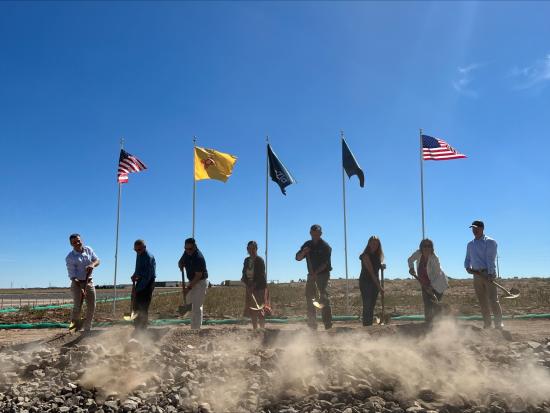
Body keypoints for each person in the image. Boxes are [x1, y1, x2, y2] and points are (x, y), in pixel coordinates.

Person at [464, 220, 503, 329]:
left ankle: (498, 323)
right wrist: (467, 267)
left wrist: (490, 274)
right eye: (473, 228)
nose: (474, 230)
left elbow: (490, 259)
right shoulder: (470, 244)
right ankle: (487, 323)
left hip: (487, 273)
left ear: (482, 228)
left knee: (493, 299)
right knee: (482, 300)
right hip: (476, 275)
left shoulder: (490, 242)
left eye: (476, 228)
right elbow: (468, 258)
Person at [296, 224, 333, 330]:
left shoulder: (326, 246)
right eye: (313, 233)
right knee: (310, 299)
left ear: (320, 234)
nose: (315, 235)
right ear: (310, 233)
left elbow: (326, 264)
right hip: (311, 276)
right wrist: (304, 252)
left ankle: (328, 325)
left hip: (323, 276)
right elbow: (298, 258)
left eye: (317, 233)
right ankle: (312, 325)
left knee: (324, 298)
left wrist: (315, 273)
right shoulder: (307, 244)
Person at [408, 238, 449, 323]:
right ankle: (428, 323)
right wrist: (411, 268)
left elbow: (438, 274)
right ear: (421, 247)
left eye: (429, 246)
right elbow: (410, 260)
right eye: (424, 246)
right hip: (424, 282)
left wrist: (431, 287)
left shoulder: (434, 258)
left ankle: (439, 325)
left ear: (432, 248)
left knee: (435, 304)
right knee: (427, 303)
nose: (426, 248)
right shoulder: (418, 253)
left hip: (438, 283)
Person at [65, 234, 99, 332]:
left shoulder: (88, 249)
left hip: (89, 282)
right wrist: (81, 288)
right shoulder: (70, 257)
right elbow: (73, 277)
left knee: (92, 306)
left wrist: (92, 264)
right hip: (77, 284)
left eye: (78, 241)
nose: (77, 243)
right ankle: (73, 329)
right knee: (77, 307)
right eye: (74, 242)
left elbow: (97, 260)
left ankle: (87, 328)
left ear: (81, 240)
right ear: (71, 244)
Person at [178, 238, 208, 330]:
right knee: (190, 303)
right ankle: (193, 327)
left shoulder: (199, 257)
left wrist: (188, 288)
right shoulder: (186, 252)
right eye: (185, 249)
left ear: (195, 247)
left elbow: (198, 276)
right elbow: (180, 261)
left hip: (200, 282)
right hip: (191, 280)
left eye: (190, 249)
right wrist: (180, 264)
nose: (188, 251)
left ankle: (196, 330)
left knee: (197, 307)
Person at [241, 241, 270, 330]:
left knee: (260, 309)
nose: (251, 250)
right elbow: (244, 272)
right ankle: (255, 329)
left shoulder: (260, 260)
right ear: (247, 249)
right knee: (252, 309)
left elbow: (261, 275)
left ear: (256, 249)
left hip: (259, 287)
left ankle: (262, 329)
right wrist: (245, 281)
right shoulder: (246, 260)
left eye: (253, 248)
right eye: (249, 248)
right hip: (249, 287)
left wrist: (254, 285)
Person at [359, 236, 385, 326]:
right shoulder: (365, 255)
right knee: (367, 305)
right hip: (366, 282)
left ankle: (369, 326)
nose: (375, 245)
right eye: (373, 243)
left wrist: (381, 266)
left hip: (375, 282)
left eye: (377, 244)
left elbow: (376, 266)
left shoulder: (377, 256)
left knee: (372, 305)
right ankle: (366, 326)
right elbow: (371, 272)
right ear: (369, 243)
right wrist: (379, 286)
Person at [131, 239, 156, 331]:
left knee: (143, 307)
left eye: (139, 250)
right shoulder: (139, 254)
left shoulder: (148, 258)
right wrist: (134, 275)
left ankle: (143, 330)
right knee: (135, 305)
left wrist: (137, 289)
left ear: (144, 247)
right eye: (135, 250)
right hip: (140, 282)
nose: (137, 252)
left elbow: (148, 276)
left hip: (147, 284)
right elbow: (138, 269)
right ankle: (137, 327)